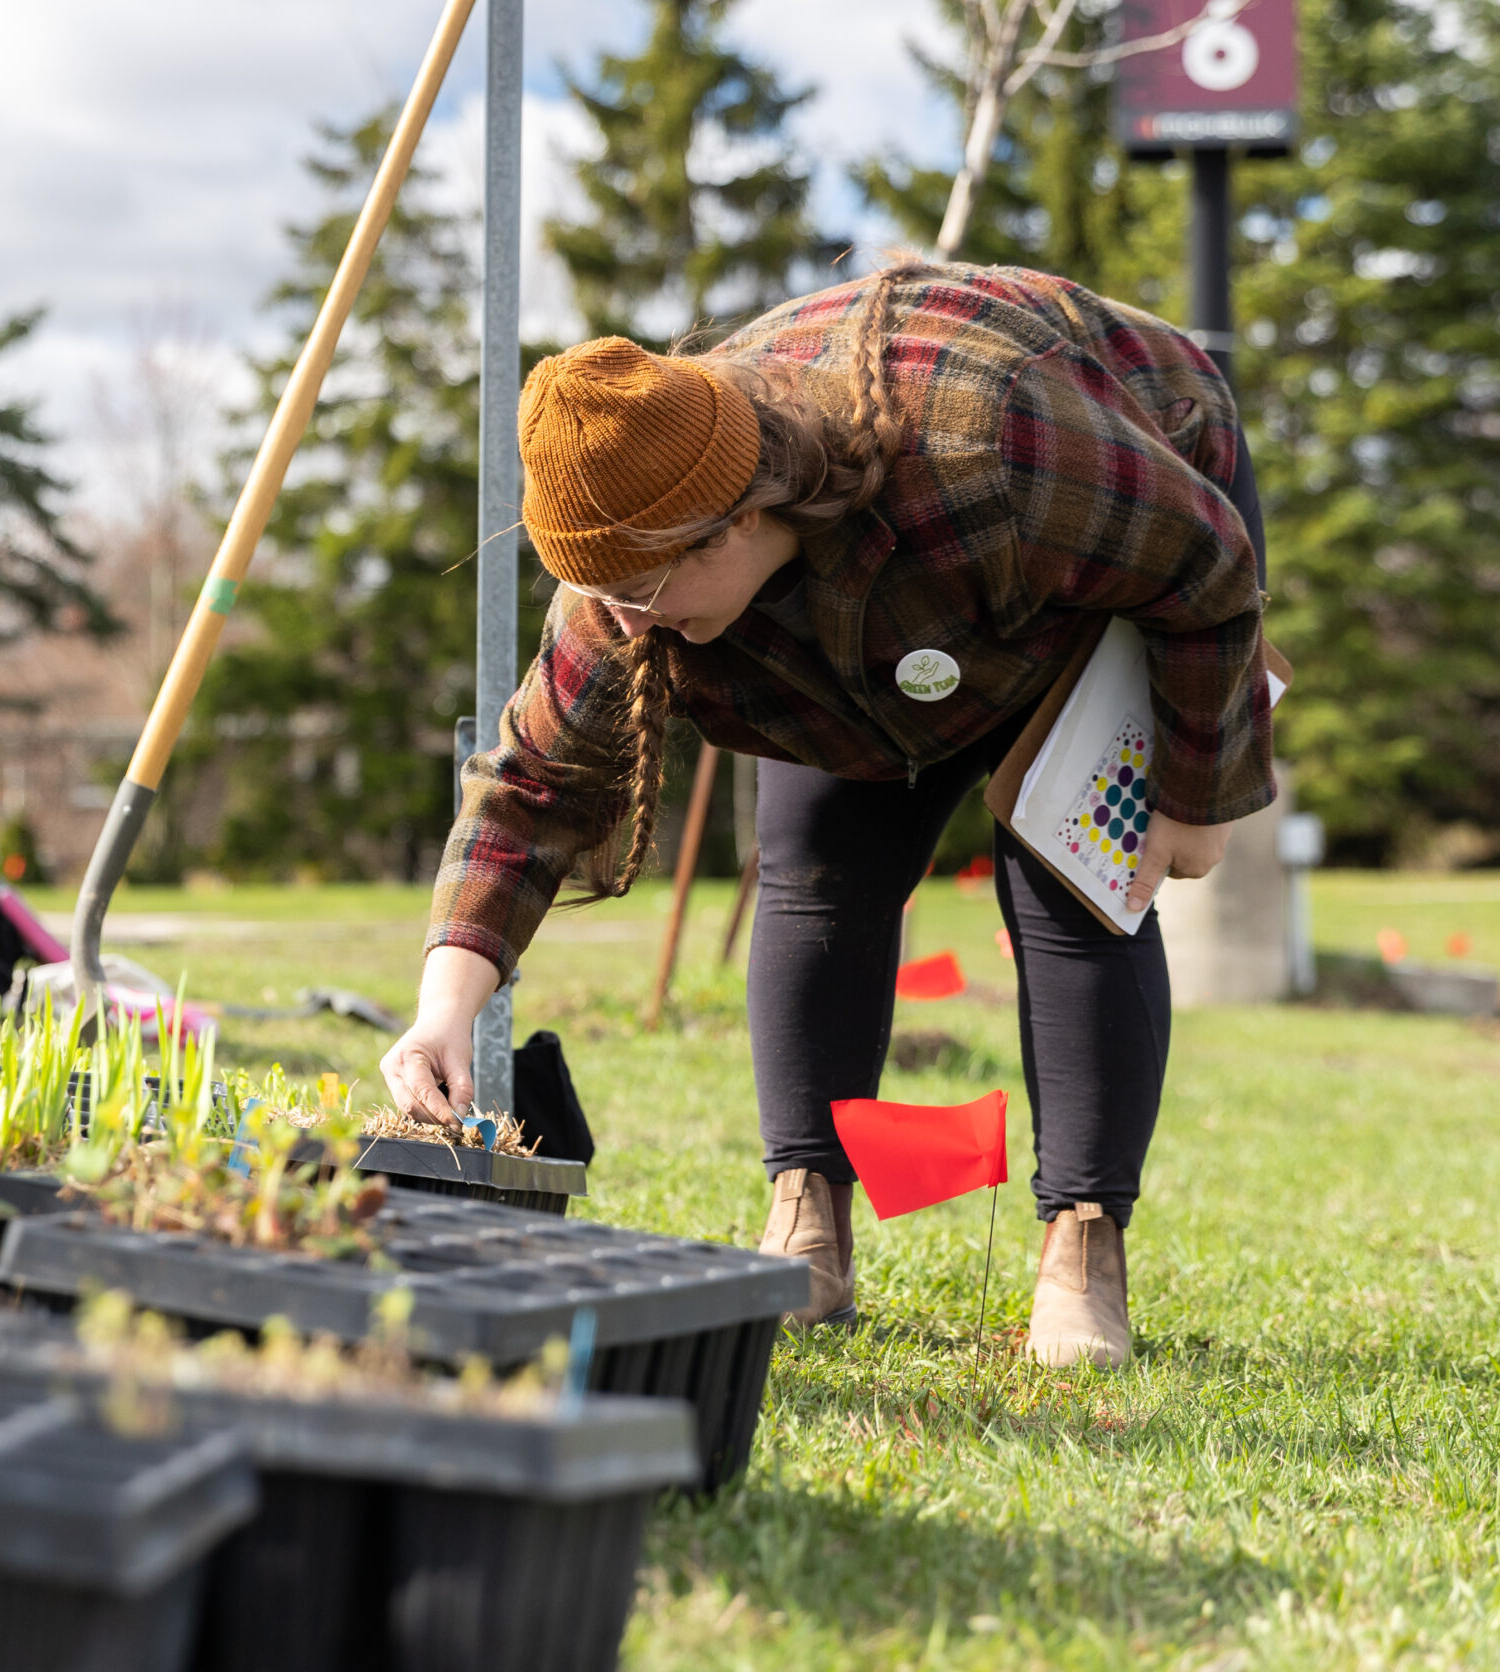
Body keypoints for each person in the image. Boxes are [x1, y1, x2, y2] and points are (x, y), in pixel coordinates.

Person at [379, 261, 1272, 1369]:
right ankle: (807, 1209)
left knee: (1075, 884)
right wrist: (441, 1011)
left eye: (640, 591)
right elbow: (531, 791)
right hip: (857, 633)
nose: (619, 620)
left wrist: (1192, 788)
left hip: (1094, 530)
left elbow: (1201, 564)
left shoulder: (991, 441)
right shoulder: (625, 569)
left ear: (737, 521)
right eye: (599, 593)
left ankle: (1081, 1242)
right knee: (812, 869)